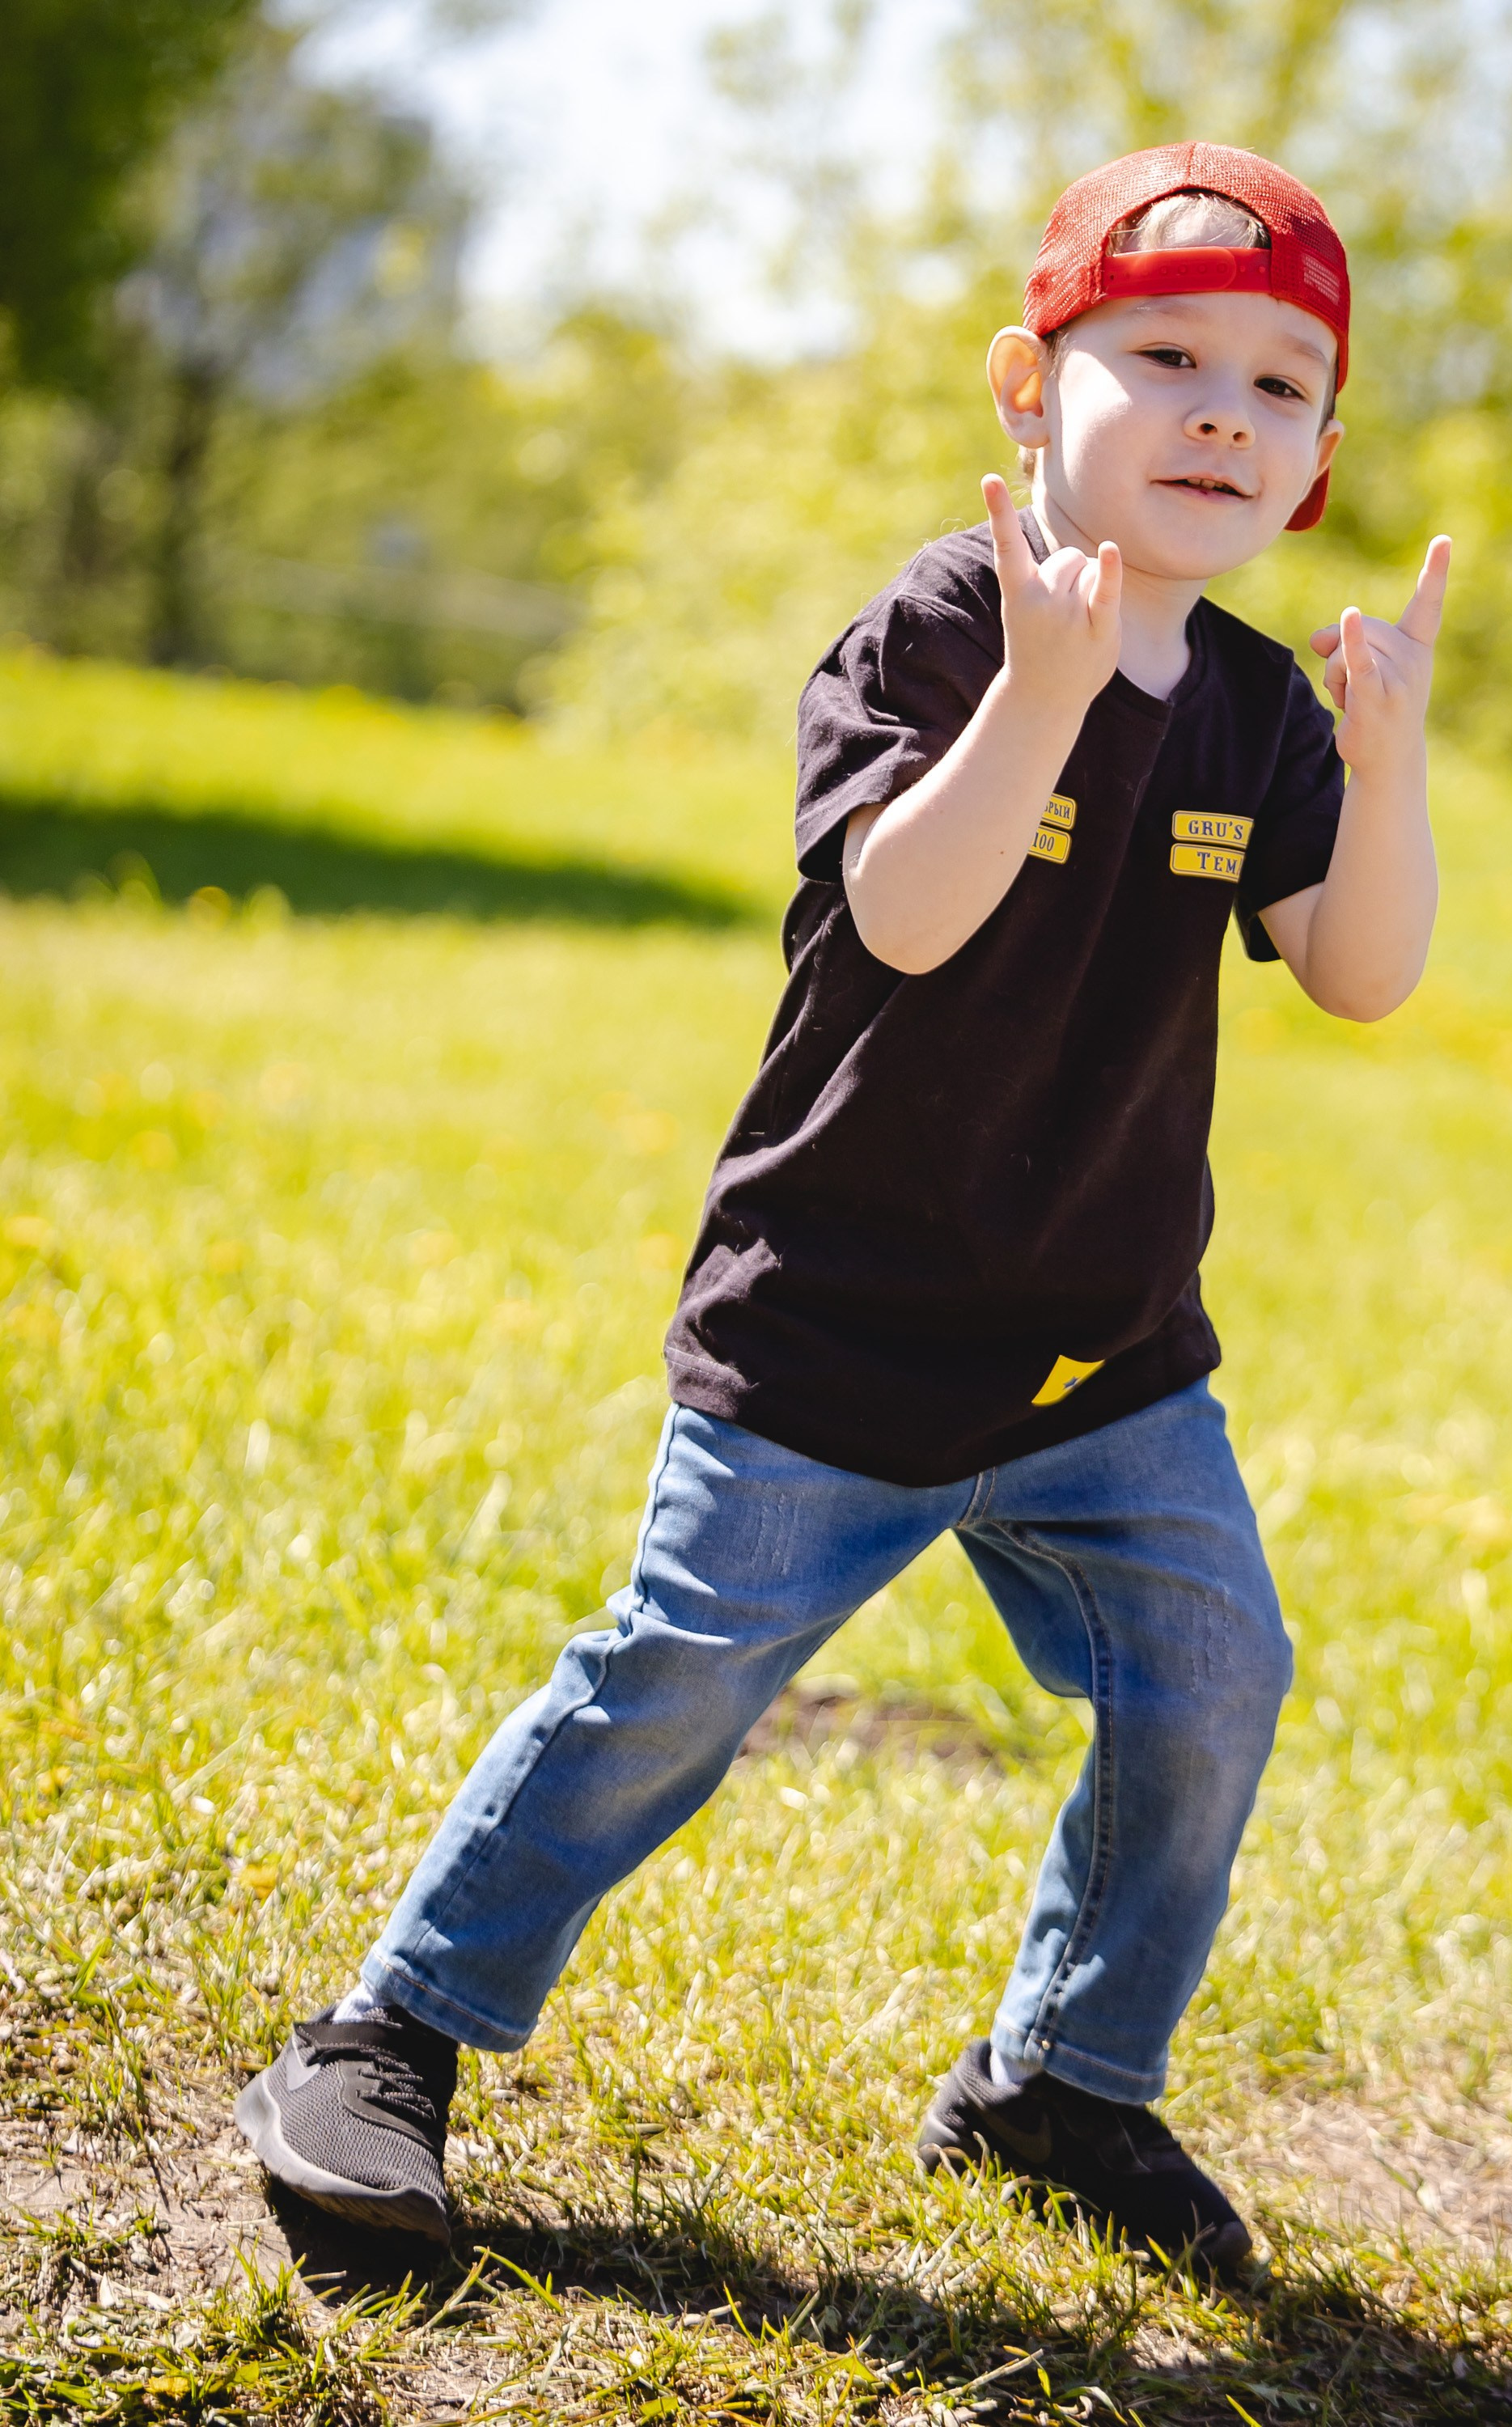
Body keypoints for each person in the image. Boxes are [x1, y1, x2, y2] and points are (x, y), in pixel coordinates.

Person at [235, 141, 1449, 2275]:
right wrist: (1045, 707)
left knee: (1212, 1671)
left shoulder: (1262, 706)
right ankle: (388, 2038)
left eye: (1276, 387)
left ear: (1320, 462)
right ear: (1027, 386)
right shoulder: (947, 623)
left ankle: (1061, 2087)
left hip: (1104, 1354)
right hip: (841, 1331)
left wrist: (1398, 764)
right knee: (679, 1683)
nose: (1220, 415)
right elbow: (900, 914)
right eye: (1162, 357)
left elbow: (1357, 968)